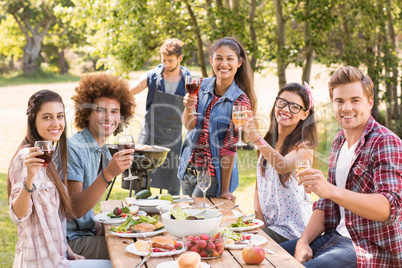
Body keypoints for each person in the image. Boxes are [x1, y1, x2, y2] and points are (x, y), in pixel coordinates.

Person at [280, 66, 402, 267]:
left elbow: (389, 209)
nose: (346, 108)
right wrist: (303, 241)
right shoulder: (339, 141)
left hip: (367, 248)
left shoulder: (385, 142)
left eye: (355, 100)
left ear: (369, 102)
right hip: (334, 237)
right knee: (268, 256)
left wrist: (330, 190)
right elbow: (326, 203)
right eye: (340, 101)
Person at [7, 90, 112, 267]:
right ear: (34, 120)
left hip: (60, 258)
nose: (56, 123)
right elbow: (18, 215)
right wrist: (29, 179)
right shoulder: (27, 157)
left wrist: (69, 252)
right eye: (47, 117)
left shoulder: (50, 159)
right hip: (40, 262)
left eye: (60, 116)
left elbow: (54, 219)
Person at [61, 74, 136, 259]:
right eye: (100, 110)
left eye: (114, 111)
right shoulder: (75, 147)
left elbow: (86, 211)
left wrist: (102, 226)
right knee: (134, 255)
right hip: (69, 242)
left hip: (86, 233)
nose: (108, 117)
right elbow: (75, 209)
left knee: (140, 240)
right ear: (86, 113)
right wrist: (108, 174)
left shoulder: (100, 150)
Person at [178, 37, 258, 202]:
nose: (224, 64)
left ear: (239, 63)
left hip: (212, 175)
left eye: (230, 59)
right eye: (219, 58)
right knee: (186, 218)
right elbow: (189, 126)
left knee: (198, 220)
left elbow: (229, 148)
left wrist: (225, 189)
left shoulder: (240, 100)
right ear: (211, 61)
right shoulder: (199, 85)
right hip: (188, 170)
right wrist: (188, 106)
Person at [242, 82, 317, 243]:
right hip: (270, 226)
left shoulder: (305, 148)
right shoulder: (269, 143)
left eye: (294, 107)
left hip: (292, 230)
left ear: (305, 114)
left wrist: (255, 137)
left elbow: (281, 166)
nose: (286, 109)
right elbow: (259, 186)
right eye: (282, 102)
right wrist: (260, 223)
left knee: (242, 244)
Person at [129, 38, 191, 195]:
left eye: (170, 60)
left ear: (180, 58)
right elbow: (130, 91)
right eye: (164, 60)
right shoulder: (152, 76)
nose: (167, 64)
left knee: (172, 188)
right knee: (141, 183)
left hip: (173, 139)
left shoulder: (188, 81)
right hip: (149, 137)